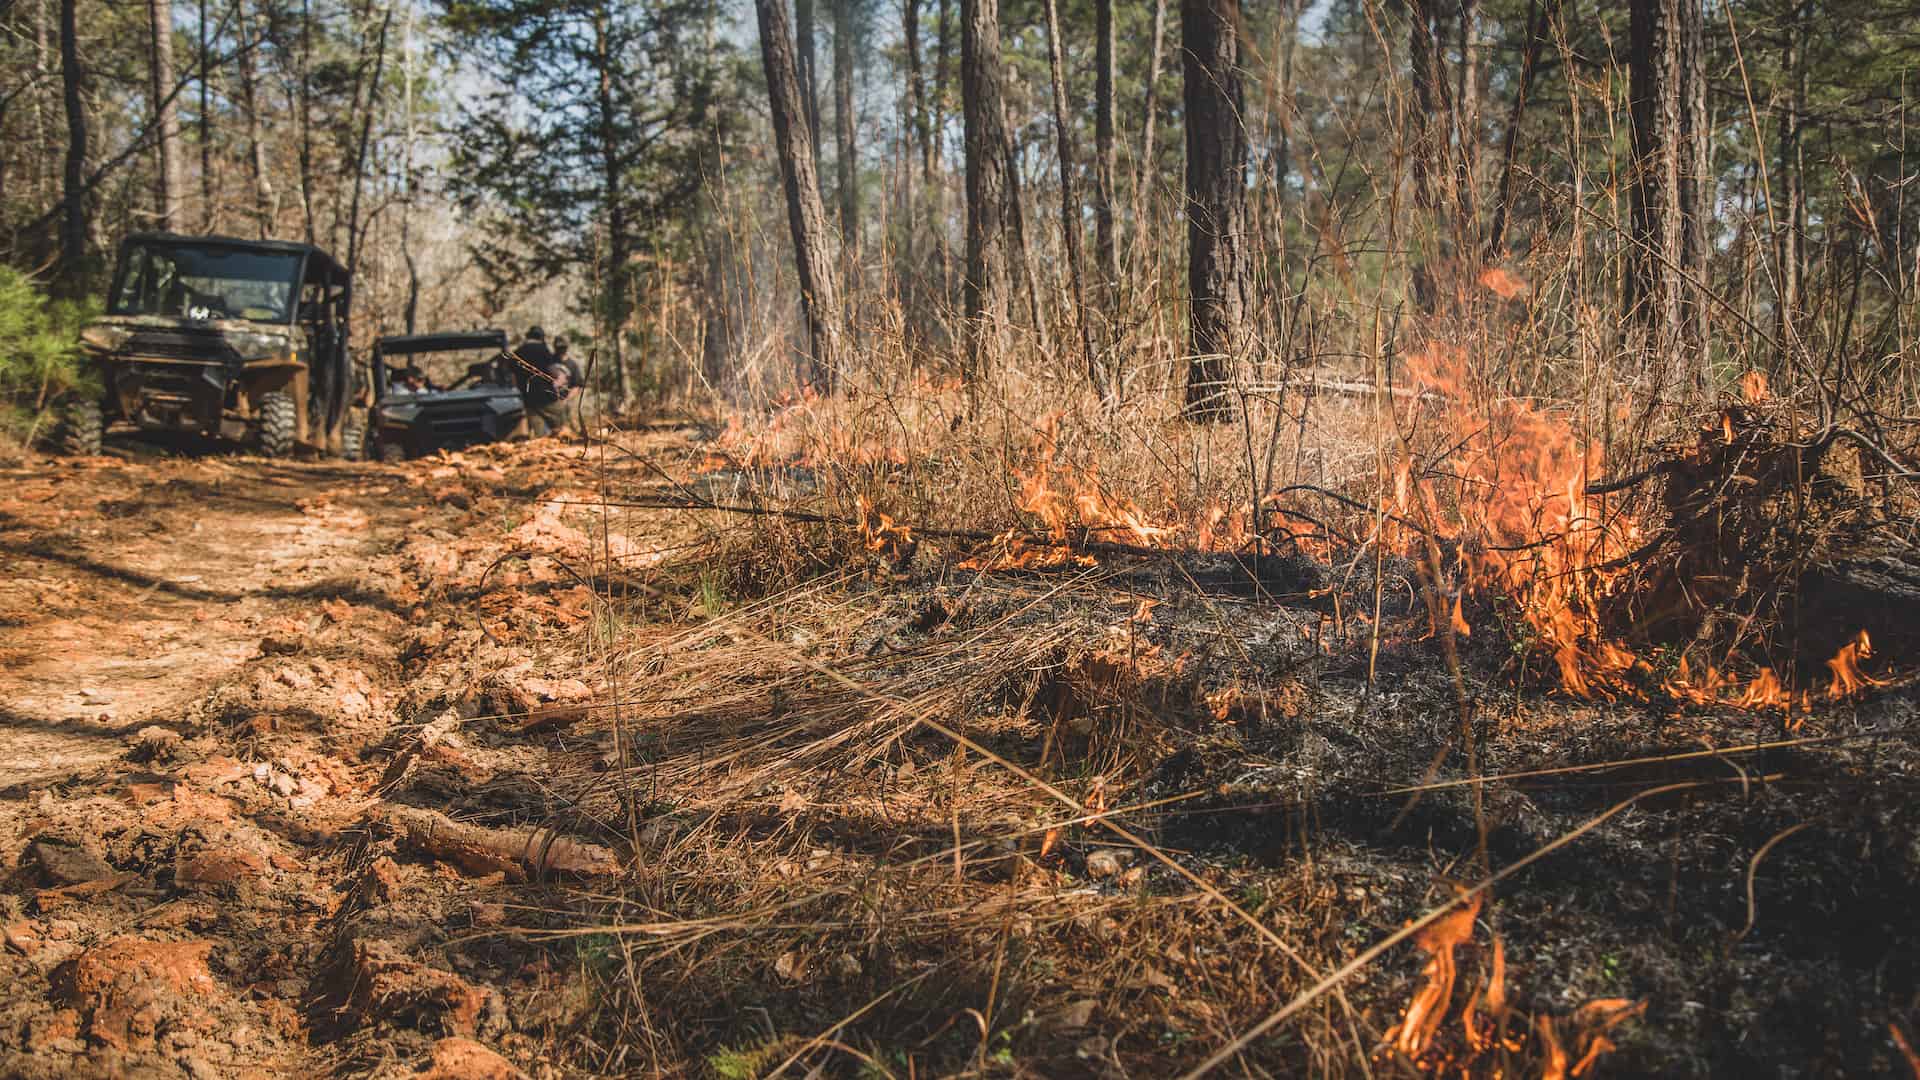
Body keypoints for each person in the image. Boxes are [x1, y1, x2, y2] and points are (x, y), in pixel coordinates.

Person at [515, 325, 573, 437]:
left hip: (528, 401)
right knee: (563, 429)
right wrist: (558, 384)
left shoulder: (518, 352)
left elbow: (512, 377)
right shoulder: (543, 350)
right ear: (541, 337)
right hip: (547, 399)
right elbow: (554, 372)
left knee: (540, 436)